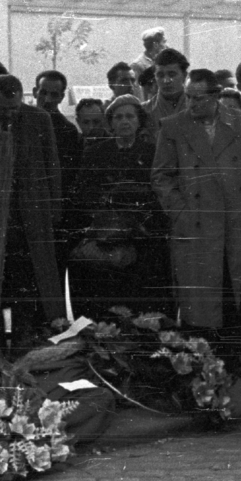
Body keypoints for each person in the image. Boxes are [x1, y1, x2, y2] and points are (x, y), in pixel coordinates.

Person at [151, 68, 241, 333]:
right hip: (195, 222)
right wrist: (181, 213)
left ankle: (230, 356)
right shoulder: (173, 126)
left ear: (216, 96)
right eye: (188, 97)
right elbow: (161, 176)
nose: (192, 104)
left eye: (198, 98)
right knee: (198, 297)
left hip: (234, 219)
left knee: (231, 286)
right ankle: (201, 356)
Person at [0, 73, 66, 336]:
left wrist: (53, 211)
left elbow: (52, 166)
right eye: (2, 110)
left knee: (29, 281)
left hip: (30, 216)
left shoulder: (39, 119)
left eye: (14, 109)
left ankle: (26, 336)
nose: (9, 116)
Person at [67, 95, 167, 316]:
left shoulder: (153, 152)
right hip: (105, 234)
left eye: (130, 116)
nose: (125, 121)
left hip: (142, 236)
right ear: (110, 122)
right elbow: (83, 191)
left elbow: (160, 191)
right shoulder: (96, 152)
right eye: (118, 117)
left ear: (139, 121)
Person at [34, 69, 84, 198]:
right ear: (35, 92)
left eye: (54, 94)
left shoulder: (68, 130)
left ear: (61, 97)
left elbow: (67, 174)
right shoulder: (22, 122)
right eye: (43, 93)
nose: (48, 99)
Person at [147, 47, 190, 133]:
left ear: (184, 76)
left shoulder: (196, 107)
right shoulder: (145, 111)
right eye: (160, 75)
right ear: (155, 77)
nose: (166, 80)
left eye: (172, 74)